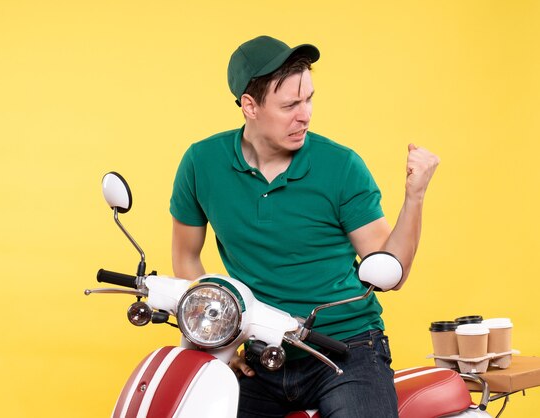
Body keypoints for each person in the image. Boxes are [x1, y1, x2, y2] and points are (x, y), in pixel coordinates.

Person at [169, 35, 439, 418]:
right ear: (250, 106)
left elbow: (392, 271)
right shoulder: (201, 163)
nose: (305, 115)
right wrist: (218, 344)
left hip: (347, 349)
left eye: (309, 99)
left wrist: (414, 196)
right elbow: (186, 257)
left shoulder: (341, 166)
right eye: (290, 104)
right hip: (262, 353)